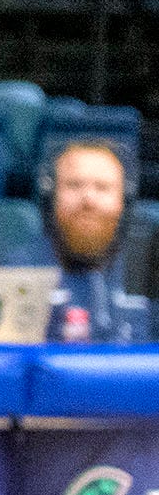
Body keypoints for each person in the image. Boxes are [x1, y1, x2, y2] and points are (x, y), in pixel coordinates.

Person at [43, 141, 150, 345]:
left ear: (124, 200)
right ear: (51, 197)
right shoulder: (16, 268)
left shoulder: (150, 275)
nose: (88, 199)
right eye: (74, 185)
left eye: (102, 187)